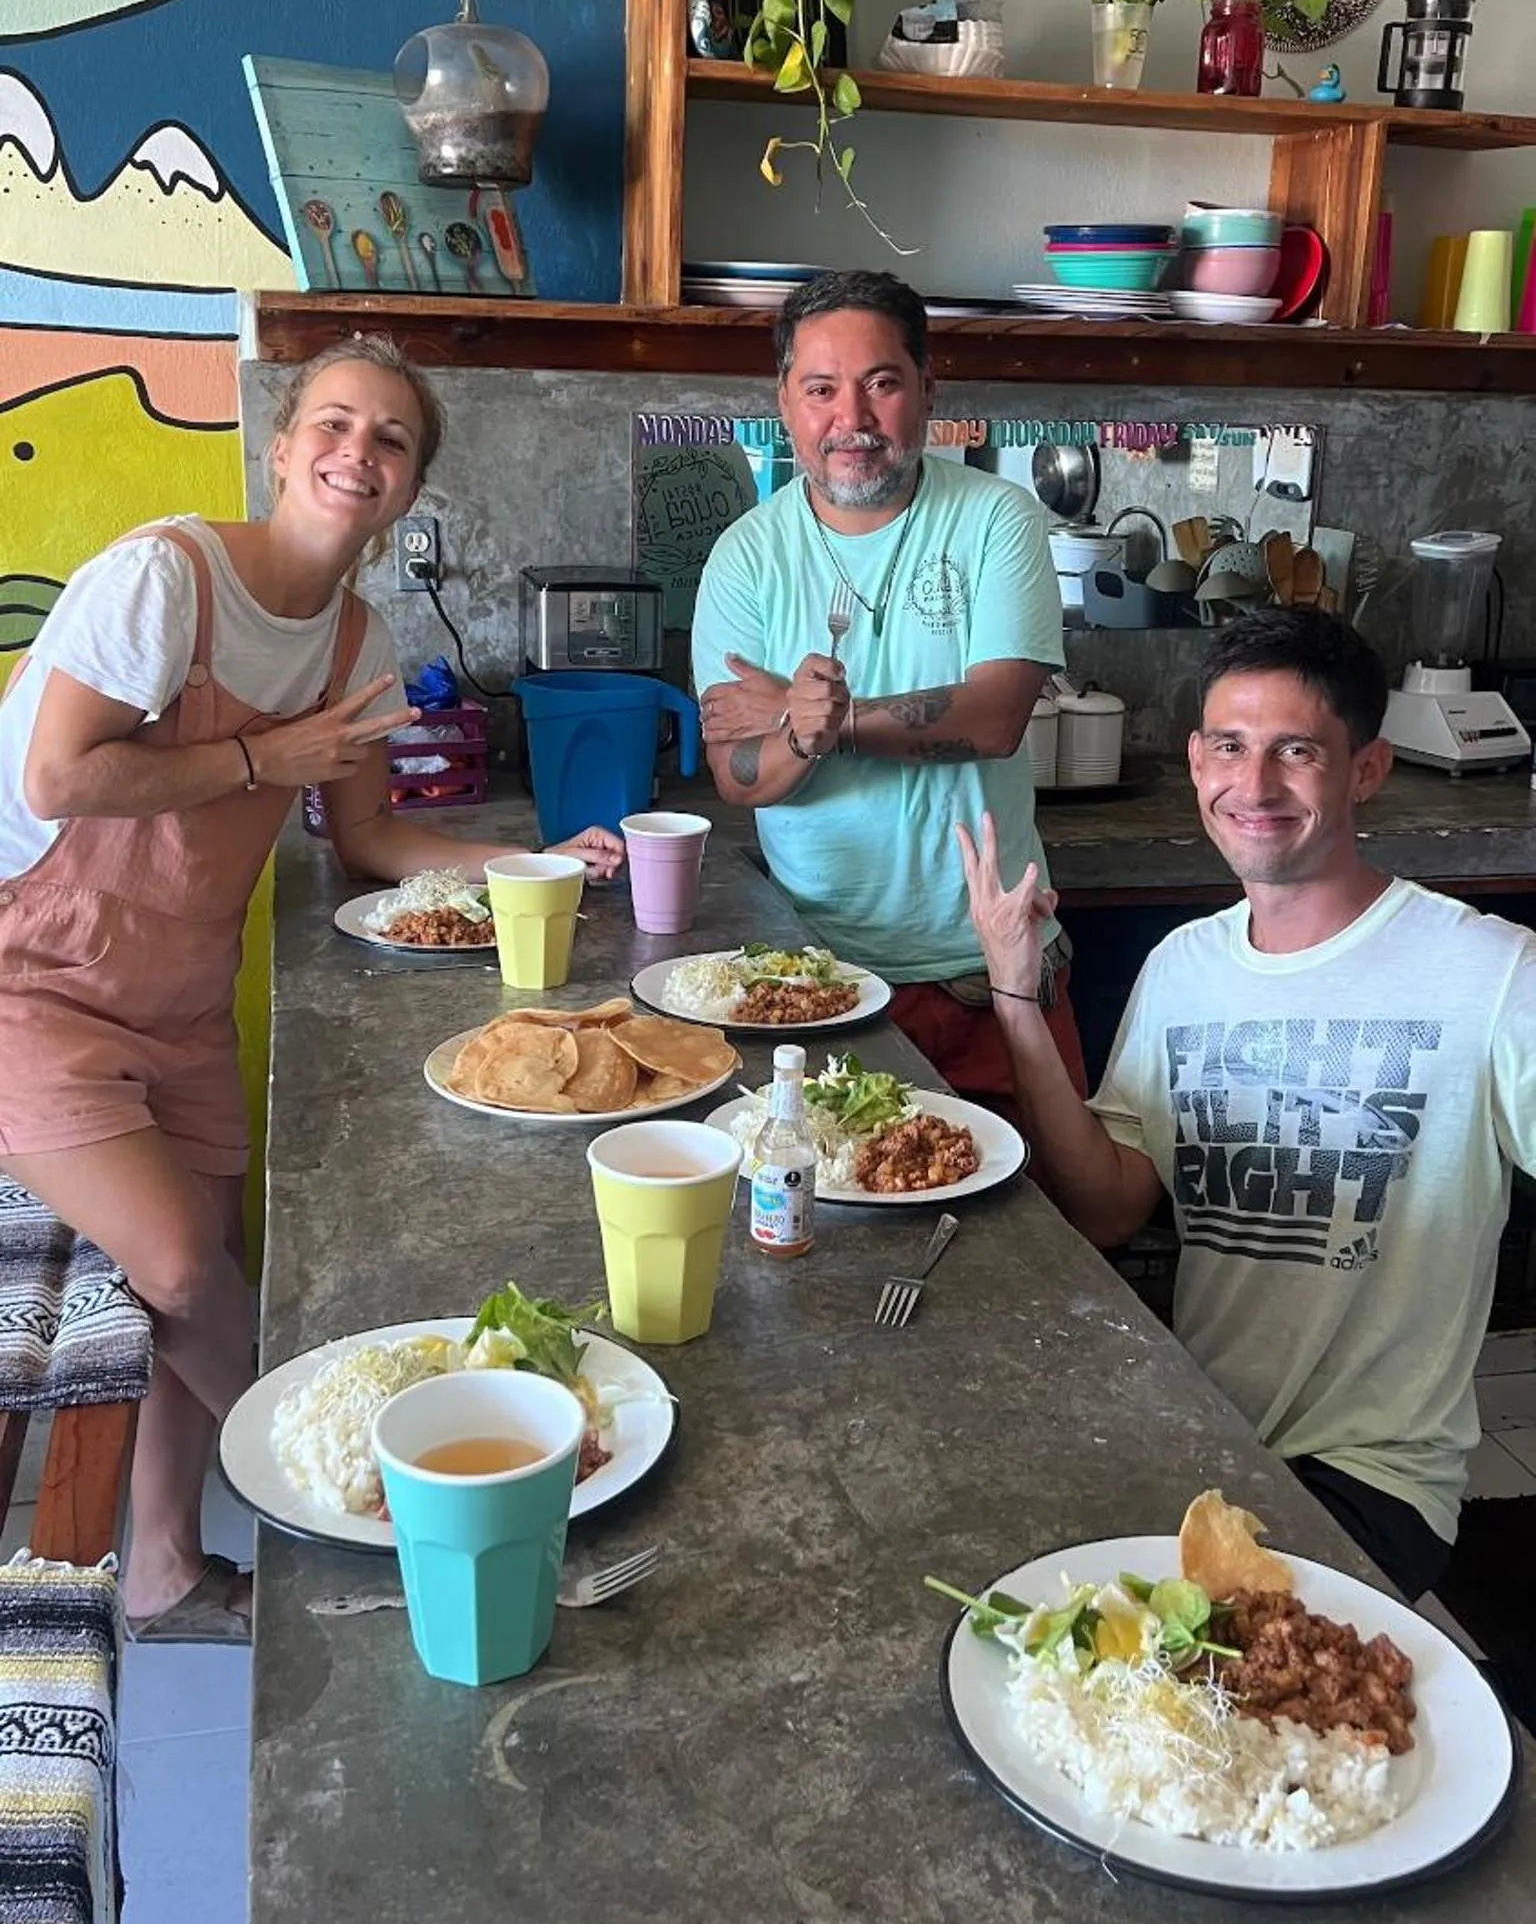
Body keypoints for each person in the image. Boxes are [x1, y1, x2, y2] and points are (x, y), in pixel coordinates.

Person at [0, 335, 622, 1642]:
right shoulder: (167, 580)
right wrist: (257, 753)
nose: (360, 453)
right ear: (281, 445)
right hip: (29, 977)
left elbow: (372, 837)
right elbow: (58, 777)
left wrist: (534, 859)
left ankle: (168, 1566)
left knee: (209, 1262)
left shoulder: (357, 641)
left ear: (409, 491)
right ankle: (369, 1482)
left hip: (177, 990)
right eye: (335, 425)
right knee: (174, 1261)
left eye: (392, 441)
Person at [959, 605, 1536, 1601]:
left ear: (1366, 770)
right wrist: (1015, 992)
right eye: (1230, 746)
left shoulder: (1487, 974)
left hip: (1372, 1477)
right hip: (1203, 1437)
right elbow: (1107, 1205)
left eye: (1295, 751)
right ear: (1195, 761)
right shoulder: (1182, 969)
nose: (1254, 785)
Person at [692, 269, 1084, 1108]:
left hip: (996, 976)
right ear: (786, 401)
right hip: (818, 985)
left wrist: (818, 722)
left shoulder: (995, 519)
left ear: (927, 389)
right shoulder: (745, 556)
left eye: (881, 384)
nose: (852, 420)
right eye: (822, 389)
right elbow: (736, 775)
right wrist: (793, 736)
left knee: (1051, 1230)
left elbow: (996, 718)